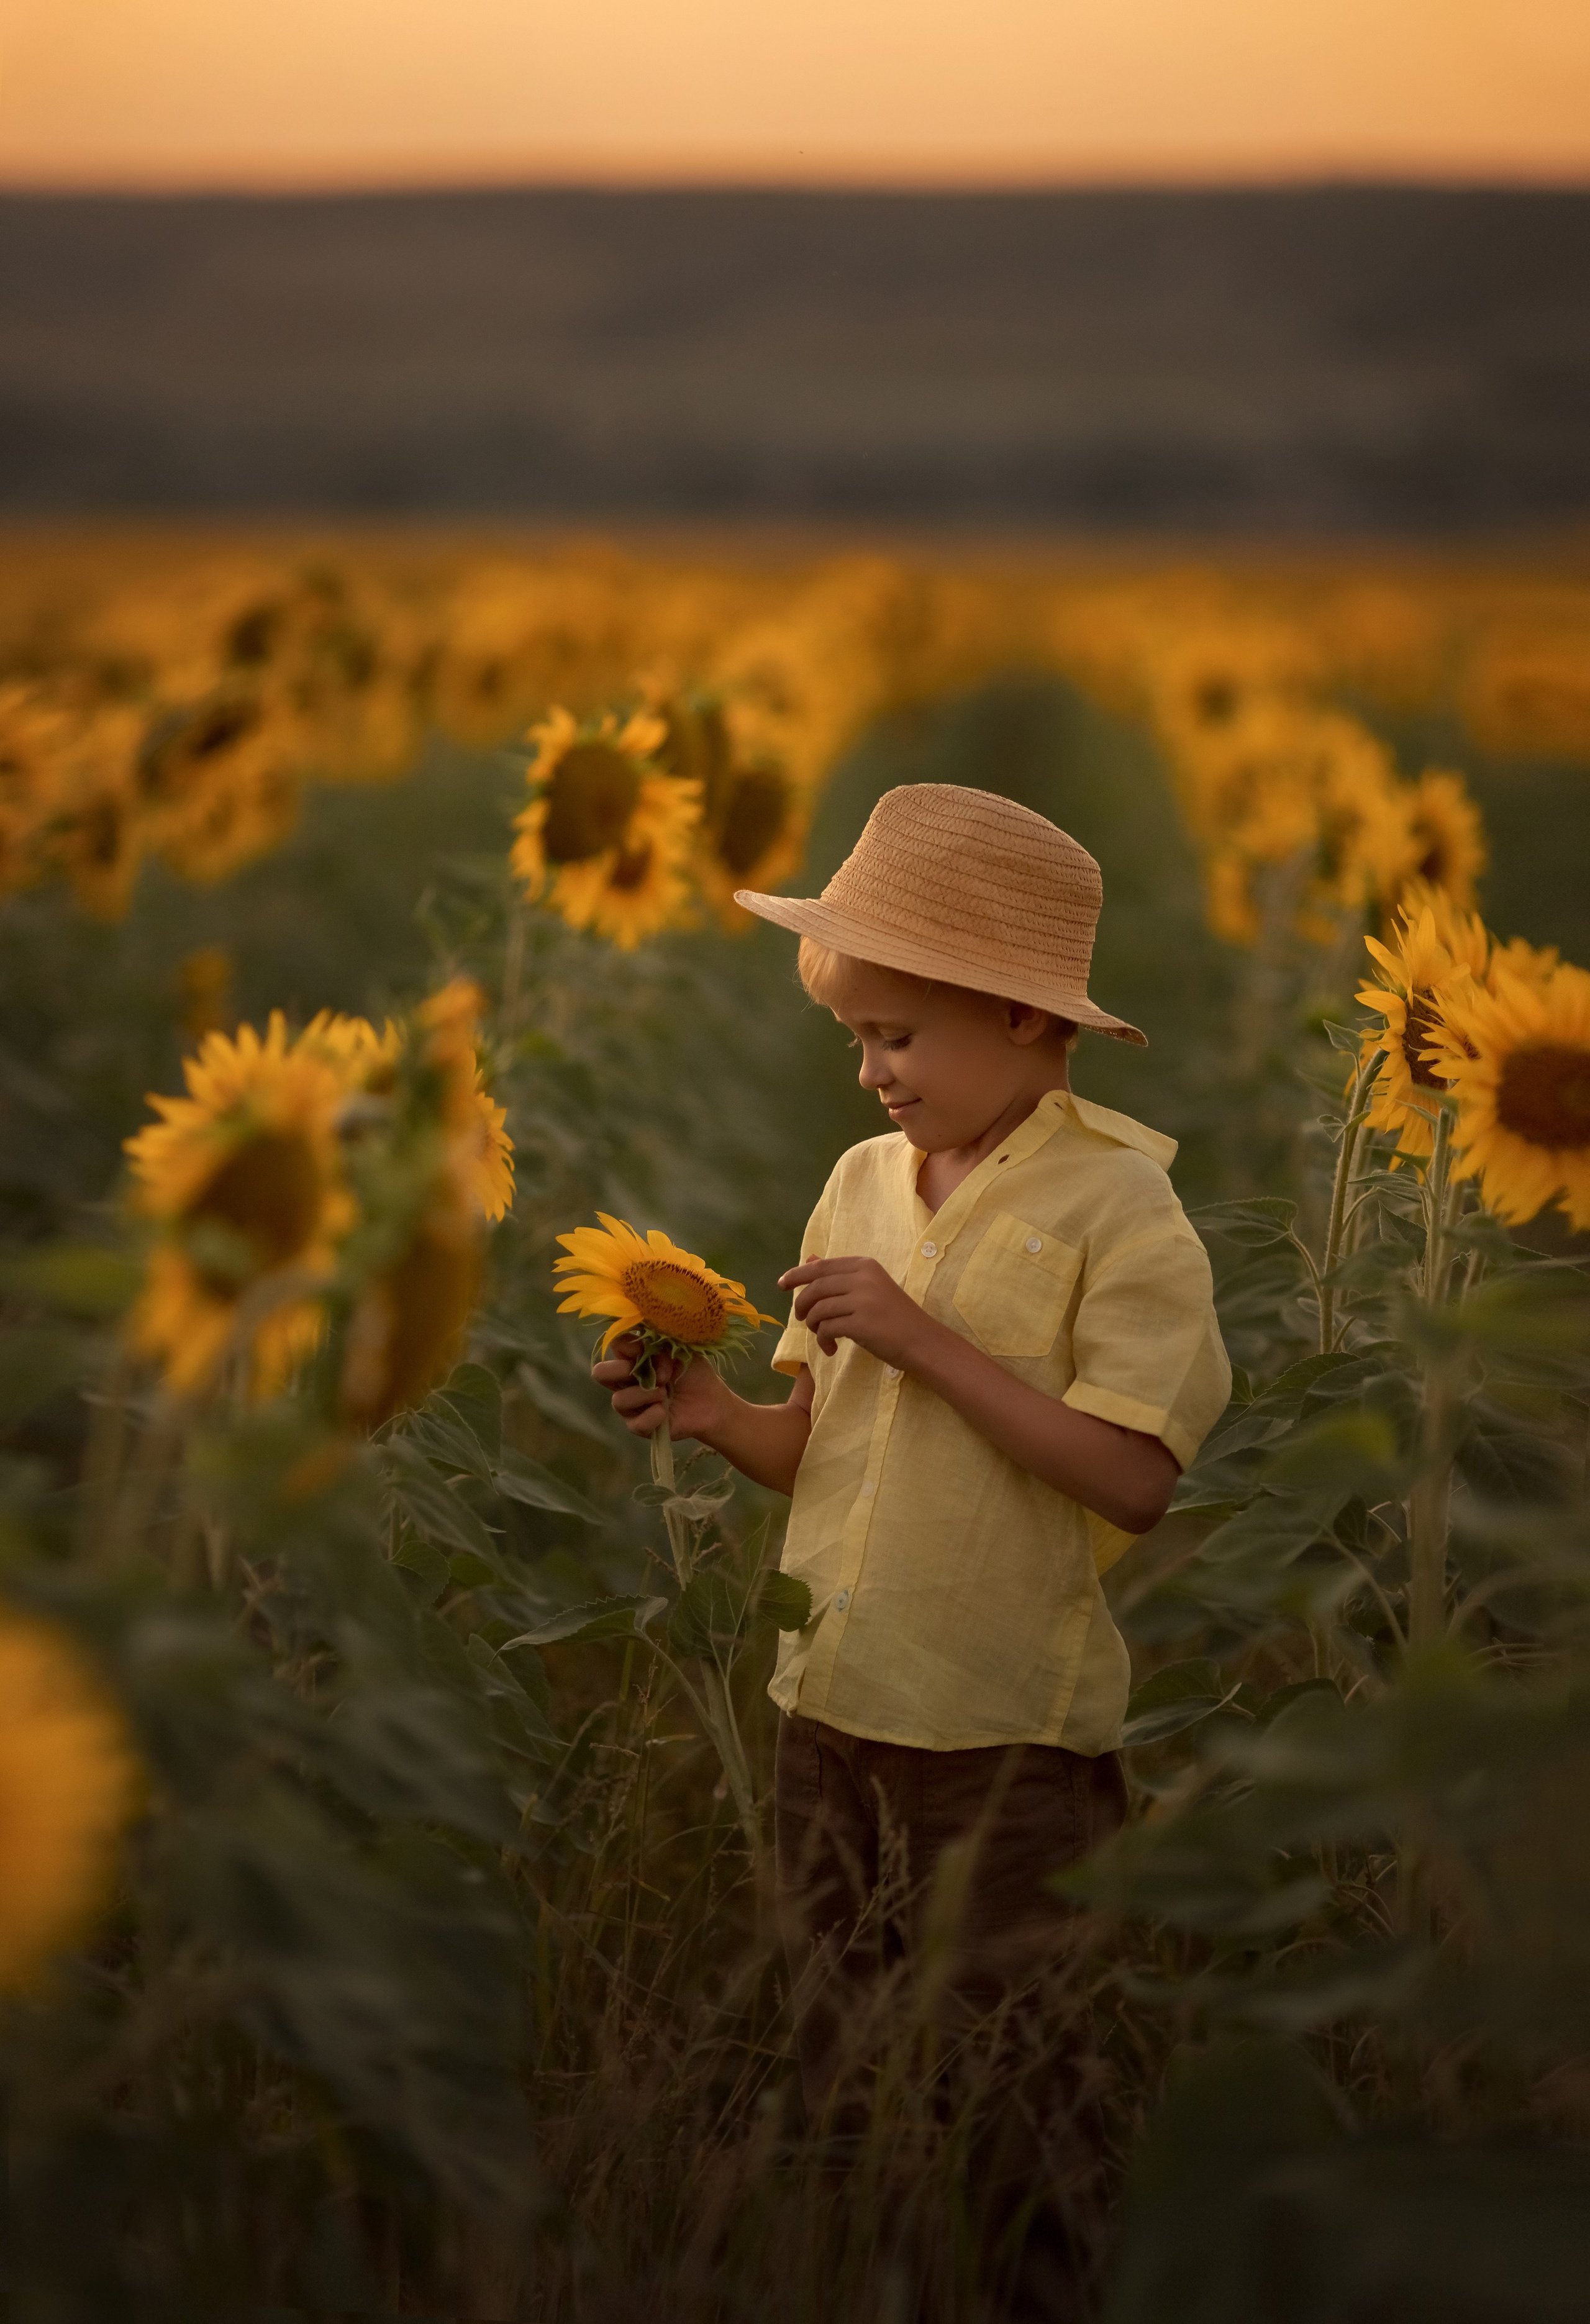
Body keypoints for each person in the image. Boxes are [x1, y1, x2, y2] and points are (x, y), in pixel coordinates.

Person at [594, 781, 1230, 2136]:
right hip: (826, 1705)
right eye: (855, 1038)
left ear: (1021, 1013)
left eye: (895, 1034)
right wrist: (713, 1414)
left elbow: (1132, 1477)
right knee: (844, 2073)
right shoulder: (860, 1180)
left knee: (1010, 2101)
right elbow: (816, 1450)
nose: (872, 1071)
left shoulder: (1122, 1207)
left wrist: (921, 1338)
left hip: (999, 1736)